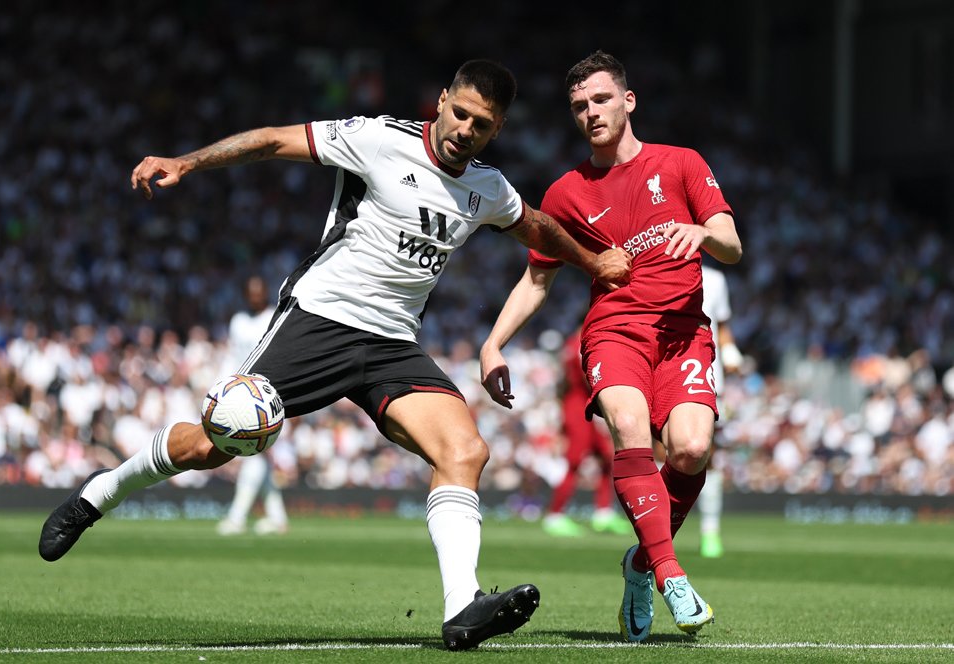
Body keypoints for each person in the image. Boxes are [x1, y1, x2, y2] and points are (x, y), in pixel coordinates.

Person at [37, 59, 631, 651]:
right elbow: (272, 141)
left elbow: (535, 227)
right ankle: (101, 493)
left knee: (465, 449)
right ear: (443, 98)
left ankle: (461, 609)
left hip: (393, 343)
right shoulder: (379, 139)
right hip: (319, 320)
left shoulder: (486, 188)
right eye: (460, 113)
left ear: (496, 130)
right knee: (209, 446)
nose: (464, 130)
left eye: (482, 124)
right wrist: (186, 162)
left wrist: (593, 261)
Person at [479, 51, 742, 642]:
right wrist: (494, 343)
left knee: (692, 450)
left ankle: (641, 562)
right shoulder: (568, 193)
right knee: (627, 427)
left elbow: (731, 244)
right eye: (578, 106)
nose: (590, 113)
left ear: (628, 101)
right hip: (614, 331)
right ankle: (672, 574)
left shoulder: (680, 164)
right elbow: (537, 279)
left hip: (683, 334)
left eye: (600, 100)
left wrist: (702, 231)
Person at [216, 275, 290, 537]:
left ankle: (236, 517)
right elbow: (233, 358)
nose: (255, 296)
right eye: (251, 292)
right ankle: (278, 519)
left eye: (259, 292)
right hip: (241, 397)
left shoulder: (275, 317)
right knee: (259, 455)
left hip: (270, 396)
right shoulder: (238, 321)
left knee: (255, 452)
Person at [542, 326, 632, 538]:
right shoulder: (582, 341)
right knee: (575, 458)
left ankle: (602, 512)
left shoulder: (574, 341)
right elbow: (588, 374)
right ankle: (554, 515)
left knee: (606, 456)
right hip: (579, 405)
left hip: (580, 403)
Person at [697, 264, 743, 558]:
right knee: (662, 454)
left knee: (707, 455)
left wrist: (729, 351)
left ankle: (710, 531)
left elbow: (722, 325)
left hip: (708, 375)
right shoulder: (653, 266)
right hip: (663, 371)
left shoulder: (714, 279)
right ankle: (660, 534)